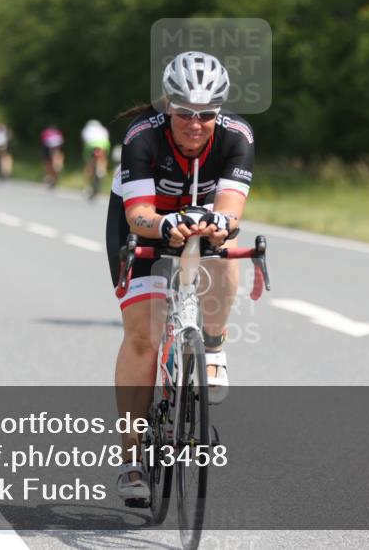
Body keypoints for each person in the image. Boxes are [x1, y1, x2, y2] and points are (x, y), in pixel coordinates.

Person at [105, 51, 254, 501]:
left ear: (219, 112)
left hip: (198, 218)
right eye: (185, 112)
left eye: (206, 114)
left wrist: (219, 226)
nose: (195, 123)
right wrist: (165, 225)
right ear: (168, 105)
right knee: (143, 337)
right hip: (146, 224)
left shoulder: (236, 136)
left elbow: (230, 210)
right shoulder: (142, 136)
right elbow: (138, 215)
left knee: (225, 252)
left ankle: (213, 347)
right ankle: (131, 458)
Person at [81, 119, 111, 197]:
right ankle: (102, 169)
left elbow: (84, 140)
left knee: (89, 162)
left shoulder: (87, 129)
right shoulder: (103, 129)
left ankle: (88, 185)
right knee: (104, 157)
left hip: (91, 145)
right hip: (104, 144)